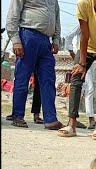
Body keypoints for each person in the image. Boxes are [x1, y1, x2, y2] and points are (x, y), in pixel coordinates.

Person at [57, 0, 96, 138]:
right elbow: (84, 34)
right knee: (76, 78)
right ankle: (71, 124)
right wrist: (81, 63)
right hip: (87, 47)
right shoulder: (83, 4)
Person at [6, 0, 64, 129]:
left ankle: (50, 119)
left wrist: (56, 40)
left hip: (46, 41)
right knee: (23, 77)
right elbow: (13, 15)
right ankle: (18, 115)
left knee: (48, 80)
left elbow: (56, 18)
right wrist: (15, 40)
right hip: (28, 35)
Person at [65, 26, 96, 129]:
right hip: (81, 56)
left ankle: (76, 119)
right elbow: (68, 37)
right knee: (85, 89)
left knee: (86, 89)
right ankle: (87, 119)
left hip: (92, 57)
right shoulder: (83, 23)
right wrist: (72, 52)